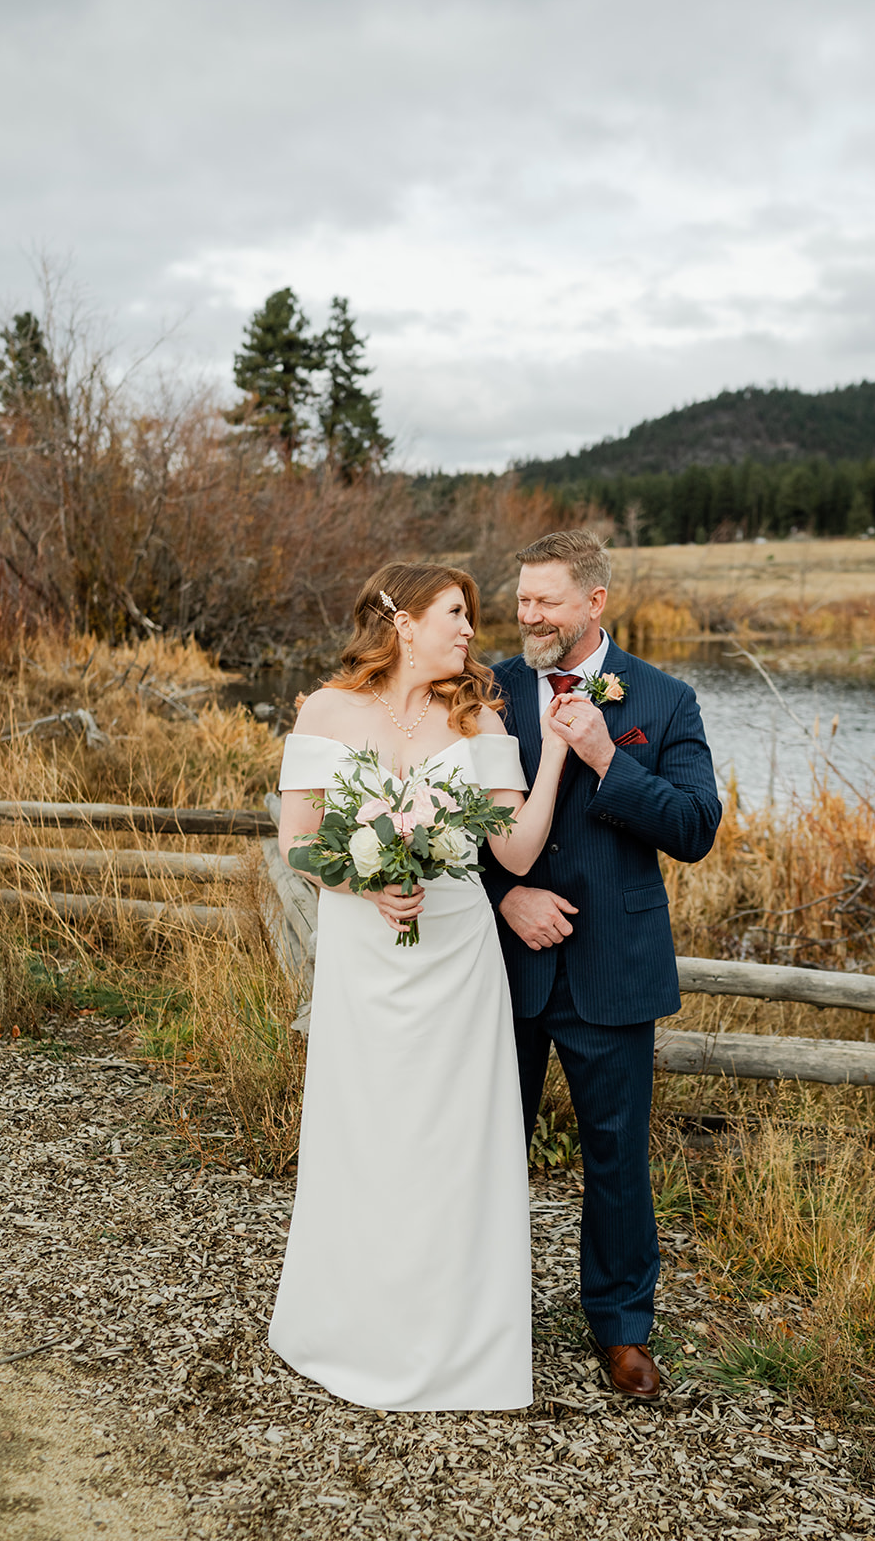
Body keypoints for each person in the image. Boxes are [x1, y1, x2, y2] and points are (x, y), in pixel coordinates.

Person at [268, 561, 570, 1411]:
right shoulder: (326, 709)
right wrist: (360, 882)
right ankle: (352, 1323)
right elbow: (295, 839)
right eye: (455, 614)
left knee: (449, 1136)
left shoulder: (478, 711)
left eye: (472, 616)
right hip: (365, 948)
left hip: (455, 949)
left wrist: (552, 760)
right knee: (365, 1127)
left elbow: (511, 853)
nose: (472, 631)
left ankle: (458, 1337)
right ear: (403, 623)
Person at [483, 529, 722, 1400]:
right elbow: (444, 813)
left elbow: (695, 828)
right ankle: (483, 1306)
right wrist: (501, 896)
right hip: (500, 963)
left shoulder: (662, 700)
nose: (526, 614)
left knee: (616, 1155)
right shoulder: (488, 691)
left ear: (594, 603)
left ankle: (621, 1329)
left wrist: (599, 758)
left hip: (613, 967)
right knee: (486, 1141)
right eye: (521, 598)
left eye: (545, 600)